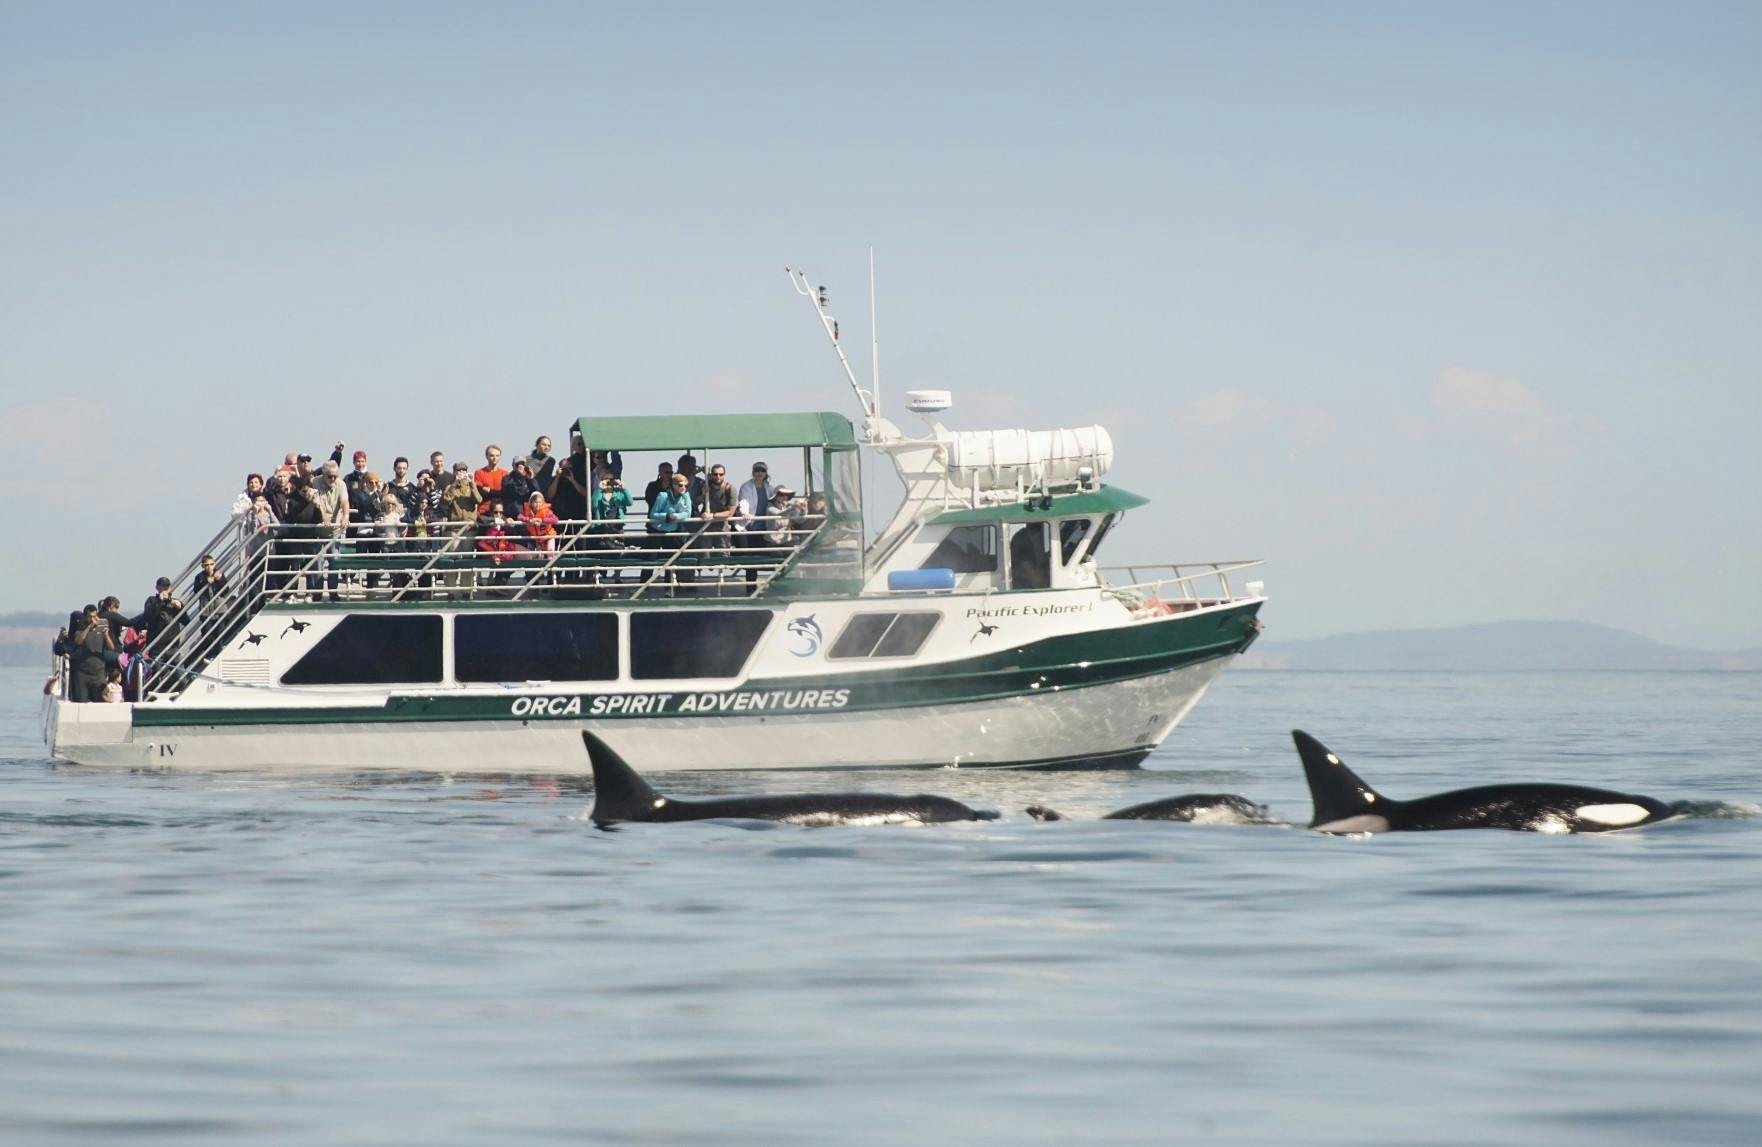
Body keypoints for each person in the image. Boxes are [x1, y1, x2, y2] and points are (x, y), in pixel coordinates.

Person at [312, 461, 350, 600]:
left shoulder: (341, 484)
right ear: (323, 474)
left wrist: (346, 516)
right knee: (318, 563)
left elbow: (345, 501)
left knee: (335, 561)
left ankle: (333, 592)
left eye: (335, 476)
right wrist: (323, 517)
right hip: (318, 530)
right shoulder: (314, 482)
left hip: (335, 530)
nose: (333, 479)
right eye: (330, 476)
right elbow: (316, 502)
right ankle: (317, 593)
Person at [735, 461, 775, 587]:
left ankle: (771, 584)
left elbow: (776, 502)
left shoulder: (770, 488)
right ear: (753, 472)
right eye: (757, 470)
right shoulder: (746, 486)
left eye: (762, 471)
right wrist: (745, 513)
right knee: (750, 559)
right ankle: (751, 588)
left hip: (764, 528)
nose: (759, 473)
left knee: (763, 557)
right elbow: (744, 501)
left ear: (765, 473)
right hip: (748, 528)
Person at [69, 605, 113, 702]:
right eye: (90, 617)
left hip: (98, 672)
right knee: (81, 701)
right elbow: (78, 641)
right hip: (82, 673)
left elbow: (111, 647)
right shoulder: (80, 628)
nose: (93, 619)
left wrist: (106, 635)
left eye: (95, 616)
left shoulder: (101, 630)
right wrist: (89, 627)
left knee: (100, 700)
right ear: (85, 616)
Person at [474, 444, 508, 515]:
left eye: (497, 455)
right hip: (484, 511)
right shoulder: (479, 472)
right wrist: (497, 493)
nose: (494, 458)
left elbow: (504, 494)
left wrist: (489, 490)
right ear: (486, 456)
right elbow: (481, 494)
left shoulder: (504, 473)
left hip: (500, 511)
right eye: (492, 455)